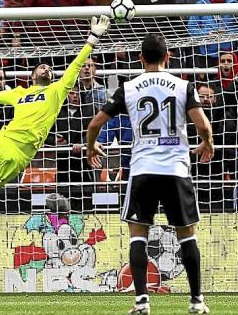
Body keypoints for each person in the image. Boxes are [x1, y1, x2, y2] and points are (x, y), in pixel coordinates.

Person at [85, 33, 213, 315]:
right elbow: (202, 125)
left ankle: (142, 301)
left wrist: (91, 147)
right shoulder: (183, 86)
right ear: (167, 57)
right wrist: (208, 142)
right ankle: (196, 301)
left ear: (141, 57)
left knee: (137, 235)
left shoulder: (129, 88)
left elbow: (95, 123)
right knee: (186, 235)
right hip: (175, 169)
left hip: (143, 169)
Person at [0, 15, 110, 218]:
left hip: (19, 154)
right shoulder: (20, 92)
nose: (47, 69)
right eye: (42, 67)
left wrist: (92, 38)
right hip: (1, 139)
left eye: (49, 68)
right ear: (32, 76)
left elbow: (75, 66)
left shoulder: (56, 91)